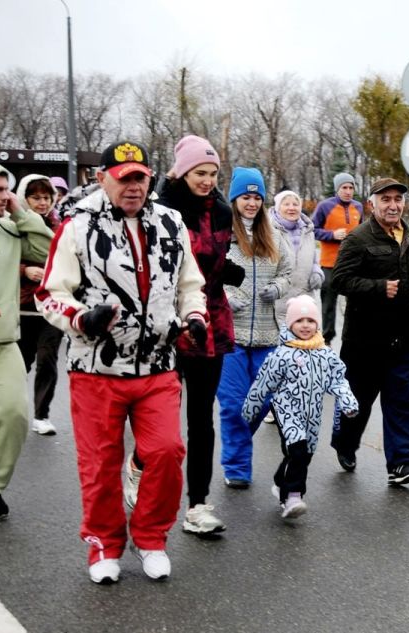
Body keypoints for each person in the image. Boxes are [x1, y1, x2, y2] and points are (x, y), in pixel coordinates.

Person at [37, 140, 207, 583]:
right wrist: (80, 318)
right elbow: (49, 295)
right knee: (99, 463)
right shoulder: (77, 226)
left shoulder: (171, 222)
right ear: (103, 179)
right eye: (123, 178)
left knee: (167, 452)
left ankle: (151, 537)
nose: (133, 187)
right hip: (96, 369)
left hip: (158, 364)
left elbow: (191, 283)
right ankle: (104, 546)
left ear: (151, 179)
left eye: (140, 178)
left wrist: (194, 317)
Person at [124, 134, 244, 537]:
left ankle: (197, 505)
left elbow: (215, 257)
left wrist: (225, 271)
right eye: (199, 172)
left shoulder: (224, 212)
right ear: (182, 171)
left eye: (212, 173)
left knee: (201, 419)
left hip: (210, 320)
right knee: (162, 418)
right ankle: (139, 463)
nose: (207, 180)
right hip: (167, 323)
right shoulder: (160, 209)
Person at [329, 177, 409, 485]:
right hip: (365, 340)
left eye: (398, 199)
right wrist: (378, 288)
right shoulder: (358, 239)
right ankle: (346, 444)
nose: (393, 205)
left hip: (404, 337)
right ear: (372, 204)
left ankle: (403, 464)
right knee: (358, 402)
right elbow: (339, 280)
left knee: (402, 401)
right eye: (386, 199)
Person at [0, 159, 53, 523]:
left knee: (15, 414)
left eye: (8, 189)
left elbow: (50, 252)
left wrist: (20, 212)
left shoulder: (9, 227)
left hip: (3, 342)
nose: (6, 196)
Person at [242, 295, 358, 518]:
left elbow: (338, 379)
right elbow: (263, 384)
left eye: (310, 321)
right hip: (287, 410)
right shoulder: (281, 355)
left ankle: (280, 481)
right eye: (299, 320)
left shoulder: (325, 353)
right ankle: (293, 497)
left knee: (303, 454)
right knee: (297, 448)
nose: (305, 325)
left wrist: (348, 401)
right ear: (290, 324)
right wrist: (250, 409)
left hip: (312, 413)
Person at [217, 168, 292, 489]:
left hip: (266, 336)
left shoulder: (273, 234)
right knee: (234, 404)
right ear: (234, 199)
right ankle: (236, 466)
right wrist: (225, 296)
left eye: (257, 197)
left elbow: (288, 272)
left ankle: (237, 441)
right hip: (229, 336)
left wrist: (277, 288)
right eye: (246, 197)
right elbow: (203, 272)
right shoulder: (221, 232)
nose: (251, 203)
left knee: (261, 402)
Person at [15, 174, 64, 436]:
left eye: (47, 197)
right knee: (19, 362)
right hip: (21, 306)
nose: (42, 202)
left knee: (48, 360)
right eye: (36, 197)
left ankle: (41, 414)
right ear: (25, 198)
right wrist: (24, 270)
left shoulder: (60, 225)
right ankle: (13, 410)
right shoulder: (10, 224)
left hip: (51, 305)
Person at [312, 172, 363, 345]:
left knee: (355, 303)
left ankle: (354, 336)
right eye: (344, 188)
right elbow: (312, 229)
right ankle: (326, 338)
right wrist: (331, 234)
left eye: (351, 187)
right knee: (328, 304)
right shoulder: (325, 206)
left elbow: (363, 232)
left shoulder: (358, 207)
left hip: (353, 265)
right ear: (337, 189)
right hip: (329, 264)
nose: (348, 191)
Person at [271, 189, 324, 311]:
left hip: (304, 297)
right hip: (278, 300)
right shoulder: (269, 231)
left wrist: (317, 273)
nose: (292, 208)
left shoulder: (308, 231)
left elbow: (314, 260)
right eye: (286, 204)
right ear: (278, 207)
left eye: (295, 204)